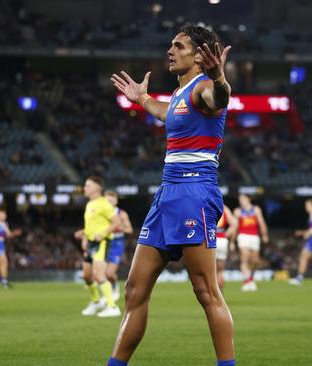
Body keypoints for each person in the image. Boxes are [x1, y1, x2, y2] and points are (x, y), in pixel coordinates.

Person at [109, 23, 235, 365]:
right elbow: (166, 114)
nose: (171, 51)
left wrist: (221, 78)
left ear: (200, 55)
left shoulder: (205, 87)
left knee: (206, 291)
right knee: (134, 290)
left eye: (179, 46)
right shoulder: (180, 94)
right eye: (171, 45)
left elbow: (220, 98)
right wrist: (143, 99)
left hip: (195, 192)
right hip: (167, 194)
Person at [78, 176, 121, 317]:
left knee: (99, 275)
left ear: (97, 188)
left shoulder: (104, 204)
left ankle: (112, 307)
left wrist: (103, 234)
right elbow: (91, 226)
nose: (85, 188)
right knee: (86, 276)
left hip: (101, 242)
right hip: (90, 243)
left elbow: (116, 222)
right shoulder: (90, 204)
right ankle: (96, 302)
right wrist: (84, 235)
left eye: (87, 185)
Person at [233, 194, 268, 292]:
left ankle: (250, 279)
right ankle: (247, 281)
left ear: (248, 199)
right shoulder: (237, 211)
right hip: (243, 236)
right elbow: (234, 226)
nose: (241, 201)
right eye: (240, 199)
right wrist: (232, 241)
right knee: (244, 258)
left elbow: (261, 223)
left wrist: (264, 235)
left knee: (255, 260)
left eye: (243, 199)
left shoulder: (256, 209)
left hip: (254, 236)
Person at [104, 190, 133, 302]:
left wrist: (118, 228)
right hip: (104, 242)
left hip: (116, 243)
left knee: (109, 273)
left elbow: (129, 229)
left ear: (116, 201)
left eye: (111, 200)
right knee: (101, 273)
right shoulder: (102, 213)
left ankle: (115, 286)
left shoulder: (121, 214)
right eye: (107, 201)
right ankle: (105, 294)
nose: (109, 203)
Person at [215, 205, 238, 290]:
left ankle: (212, 296)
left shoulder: (206, 202)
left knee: (210, 272)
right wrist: (225, 235)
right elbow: (234, 224)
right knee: (220, 271)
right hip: (222, 241)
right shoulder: (224, 207)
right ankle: (220, 296)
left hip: (210, 240)